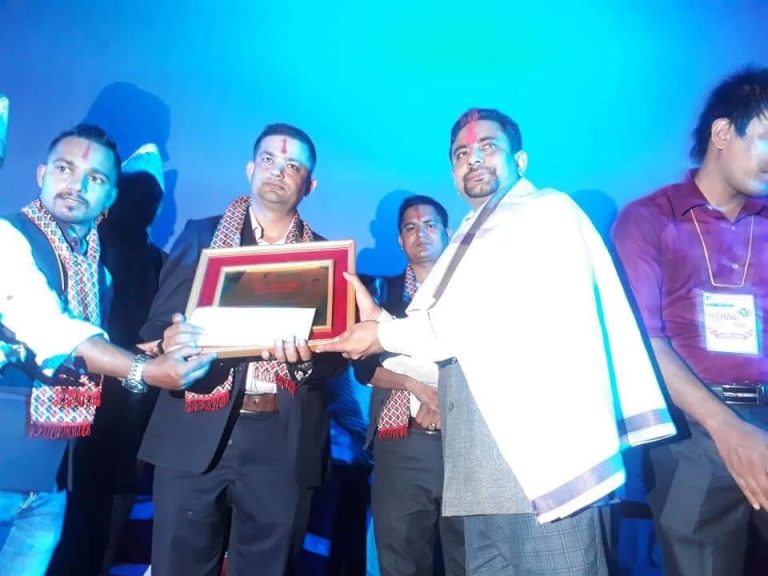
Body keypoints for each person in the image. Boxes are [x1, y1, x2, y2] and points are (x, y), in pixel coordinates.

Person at [319, 108, 676, 575]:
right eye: (461, 153)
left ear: (520, 160)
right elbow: (453, 351)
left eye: (488, 146)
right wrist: (382, 326)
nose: (473, 159)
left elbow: (477, 322)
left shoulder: (544, 212)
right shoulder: (474, 234)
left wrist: (383, 332)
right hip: (477, 473)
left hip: (541, 467)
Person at [0, 124, 214, 576]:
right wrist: (147, 370)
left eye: (94, 178)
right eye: (64, 169)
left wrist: (160, 348)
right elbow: (52, 331)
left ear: (109, 195)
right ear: (41, 174)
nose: (76, 185)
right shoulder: (8, 237)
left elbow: (93, 346)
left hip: (53, 471)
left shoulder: (93, 264)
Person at [139, 123, 339, 576]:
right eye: (268, 159)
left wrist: (307, 363)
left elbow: (333, 356)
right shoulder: (201, 236)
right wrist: (169, 338)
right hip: (194, 429)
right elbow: (157, 323)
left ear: (309, 184)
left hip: (282, 440)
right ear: (251, 169)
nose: (277, 171)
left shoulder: (325, 257)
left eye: (293, 166)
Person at [612, 67, 768, 576]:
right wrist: (728, 428)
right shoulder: (648, 219)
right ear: (723, 133)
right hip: (691, 432)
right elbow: (645, 342)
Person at [47, 143, 169, 576]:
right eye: (134, 193)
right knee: (59, 517)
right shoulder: (77, 249)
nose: (142, 205)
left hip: (131, 410)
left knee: (110, 519)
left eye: (151, 198)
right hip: (70, 403)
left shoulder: (162, 263)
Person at [354, 195, 464, 575]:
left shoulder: (472, 291)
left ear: (448, 232)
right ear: (401, 240)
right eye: (411, 227)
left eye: (430, 225)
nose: (421, 234)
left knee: (469, 558)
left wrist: (445, 397)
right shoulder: (381, 292)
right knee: (401, 560)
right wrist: (416, 386)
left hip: (465, 443)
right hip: (403, 443)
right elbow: (364, 366)